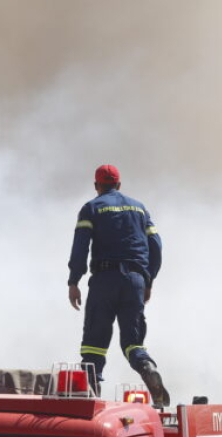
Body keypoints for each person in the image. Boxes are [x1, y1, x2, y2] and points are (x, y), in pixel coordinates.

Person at [67, 165, 169, 406]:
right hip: (135, 281)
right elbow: (156, 245)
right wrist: (148, 280)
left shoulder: (92, 208)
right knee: (133, 342)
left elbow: (80, 247)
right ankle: (146, 366)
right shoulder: (139, 208)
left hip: (104, 279)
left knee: (94, 342)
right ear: (119, 185)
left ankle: (91, 394)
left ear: (96, 186)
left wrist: (74, 281)